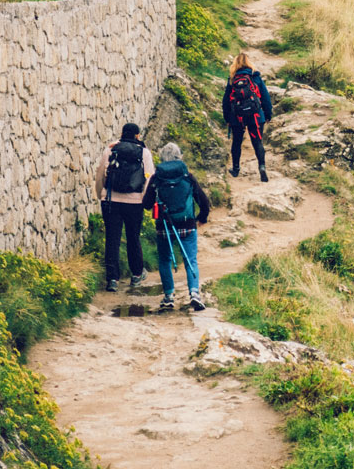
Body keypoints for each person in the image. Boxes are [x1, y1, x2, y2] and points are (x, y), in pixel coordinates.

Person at [142, 142, 211, 311]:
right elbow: (204, 201)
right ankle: (194, 293)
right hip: (187, 224)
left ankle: (168, 296)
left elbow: (146, 204)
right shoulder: (188, 177)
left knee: (164, 260)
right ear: (179, 157)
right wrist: (202, 218)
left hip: (164, 226)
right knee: (190, 260)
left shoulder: (156, 179)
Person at [93, 122, 155, 293]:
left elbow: (100, 174)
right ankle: (136, 275)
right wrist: (144, 200)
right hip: (134, 202)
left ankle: (112, 279)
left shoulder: (111, 150)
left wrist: (102, 194)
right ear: (137, 136)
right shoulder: (144, 153)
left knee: (112, 238)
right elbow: (149, 178)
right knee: (133, 238)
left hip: (111, 200)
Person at [222, 52, 273, 182]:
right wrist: (268, 115)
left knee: (237, 142)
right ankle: (262, 167)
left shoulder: (232, 79)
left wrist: (227, 118)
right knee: (257, 142)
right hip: (255, 115)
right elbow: (266, 98)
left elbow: (226, 101)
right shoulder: (255, 77)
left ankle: (235, 169)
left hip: (237, 116)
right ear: (249, 63)